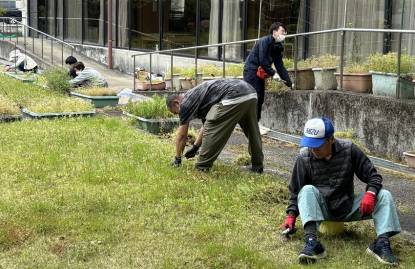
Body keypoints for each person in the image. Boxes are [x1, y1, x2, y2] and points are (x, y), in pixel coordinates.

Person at [282, 117, 401, 266]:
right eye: (310, 145)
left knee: (384, 195)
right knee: (306, 190)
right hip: (321, 209)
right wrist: (291, 216)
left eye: (317, 145)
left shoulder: (349, 150)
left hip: (347, 205)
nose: (313, 149)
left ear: (331, 139)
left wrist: (370, 193)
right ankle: (312, 243)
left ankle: (381, 243)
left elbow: (373, 176)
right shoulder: (304, 157)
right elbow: (296, 190)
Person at [166, 78, 264, 172]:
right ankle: (257, 165)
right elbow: (204, 127)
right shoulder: (200, 99)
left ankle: (202, 166)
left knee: (211, 127)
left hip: (234, 95)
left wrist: (177, 159)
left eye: (175, 113)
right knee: (252, 130)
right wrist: (195, 147)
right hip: (250, 93)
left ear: (176, 103)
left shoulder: (185, 103)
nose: (179, 115)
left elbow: (182, 135)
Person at [244, 22, 292, 121]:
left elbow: (280, 66)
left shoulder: (277, 46)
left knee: (260, 98)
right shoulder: (264, 41)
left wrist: (289, 82)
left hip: (260, 73)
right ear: (274, 32)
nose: (284, 34)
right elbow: (263, 60)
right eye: (282, 31)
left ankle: (256, 122)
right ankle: (253, 124)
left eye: (285, 32)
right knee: (254, 97)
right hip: (251, 71)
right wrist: (273, 73)